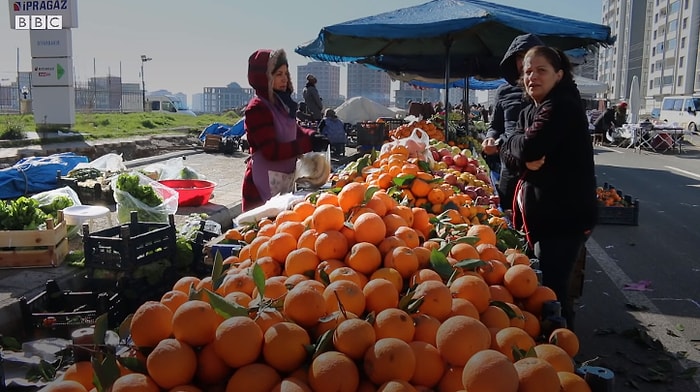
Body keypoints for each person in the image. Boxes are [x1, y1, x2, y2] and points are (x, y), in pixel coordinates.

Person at [500, 45, 598, 330]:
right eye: (527, 71)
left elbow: (529, 146)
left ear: (559, 74)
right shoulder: (531, 109)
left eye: (541, 70)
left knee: (552, 292)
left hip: (565, 219)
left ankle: (563, 347)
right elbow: (510, 151)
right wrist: (521, 159)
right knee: (545, 285)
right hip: (544, 218)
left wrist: (517, 148)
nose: (532, 77)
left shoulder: (562, 105)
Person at [242, 49, 328, 212]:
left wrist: (312, 135)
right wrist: (307, 144)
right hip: (261, 187)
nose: (284, 79)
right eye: (278, 74)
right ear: (264, 77)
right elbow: (271, 151)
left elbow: (294, 131)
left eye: (286, 73)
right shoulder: (257, 108)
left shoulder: (281, 104)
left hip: (283, 181)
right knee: (262, 232)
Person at [482, 33, 544, 211]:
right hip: (509, 168)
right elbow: (495, 126)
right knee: (508, 217)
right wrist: (490, 138)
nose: (524, 61)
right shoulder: (504, 92)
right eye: (519, 57)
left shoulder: (551, 92)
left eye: (529, 55)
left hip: (541, 173)